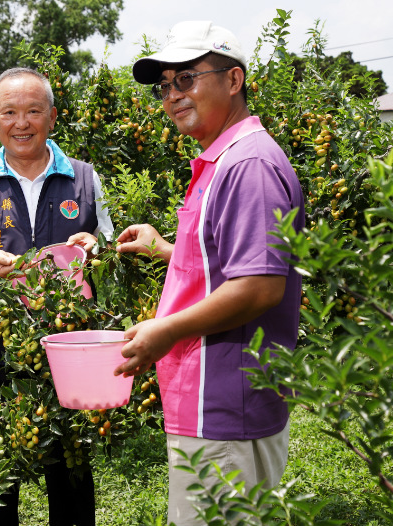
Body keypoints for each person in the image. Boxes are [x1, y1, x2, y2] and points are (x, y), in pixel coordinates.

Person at [113, 21, 304, 525]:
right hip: (209, 400)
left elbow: (260, 286)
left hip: (224, 403)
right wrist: (165, 249)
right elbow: (233, 262)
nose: (173, 95)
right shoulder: (224, 161)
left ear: (234, 80)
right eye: (166, 85)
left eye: (187, 79)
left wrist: (165, 329)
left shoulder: (248, 165)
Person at [0, 67, 114, 526]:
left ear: (52, 117)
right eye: (10, 112)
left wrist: (96, 249)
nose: (22, 122)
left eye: (34, 111)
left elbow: (111, 251)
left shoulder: (85, 178)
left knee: (72, 469)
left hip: (69, 348)